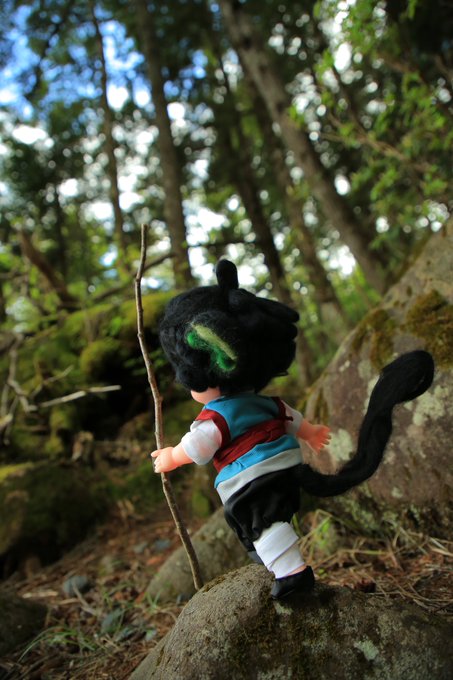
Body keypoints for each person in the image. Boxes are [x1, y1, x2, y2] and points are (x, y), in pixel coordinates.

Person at [151, 260, 435, 599]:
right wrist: (311, 433)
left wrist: (171, 456)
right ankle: (269, 556)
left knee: (263, 524)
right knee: (263, 523)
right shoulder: (264, 402)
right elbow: (290, 417)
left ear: (209, 368)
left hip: (252, 478)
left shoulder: (215, 417)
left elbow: (198, 447)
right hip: (287, 467)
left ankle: (292, 575)